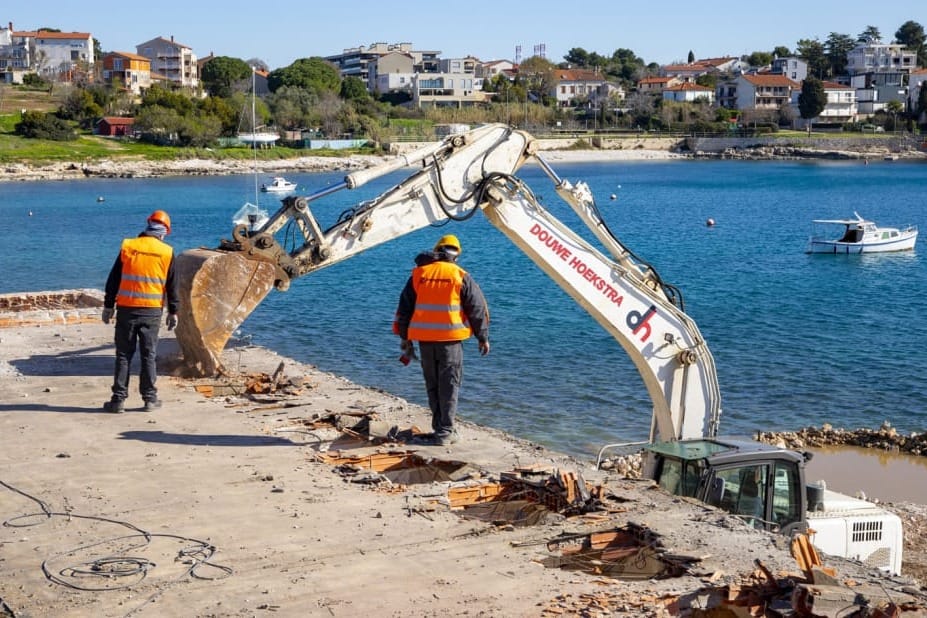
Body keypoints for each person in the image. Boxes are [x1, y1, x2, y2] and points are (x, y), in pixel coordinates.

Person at [393, 234, 490, 446]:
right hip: (450, 341)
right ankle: (446, 431)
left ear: (437, 251)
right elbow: (477, 309)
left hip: (425, 340)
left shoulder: (420, 274)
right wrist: (482, 337)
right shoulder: (460, 275)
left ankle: (440, 428)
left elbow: (405, 308)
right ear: (456, 255)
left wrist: (405, 338)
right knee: (449, 384)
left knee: (433, 384)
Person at [101, 210, 179, 413]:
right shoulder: (167, 252)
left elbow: (113, 279)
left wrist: (108, 306)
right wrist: (173, 311)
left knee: (124, 355)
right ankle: (150, 400)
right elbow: (172, 286)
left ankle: (118, 401)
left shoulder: (129, 246)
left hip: (127, 308)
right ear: (164, 233)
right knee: (148, 355)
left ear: (147, 227)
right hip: (152, 312)